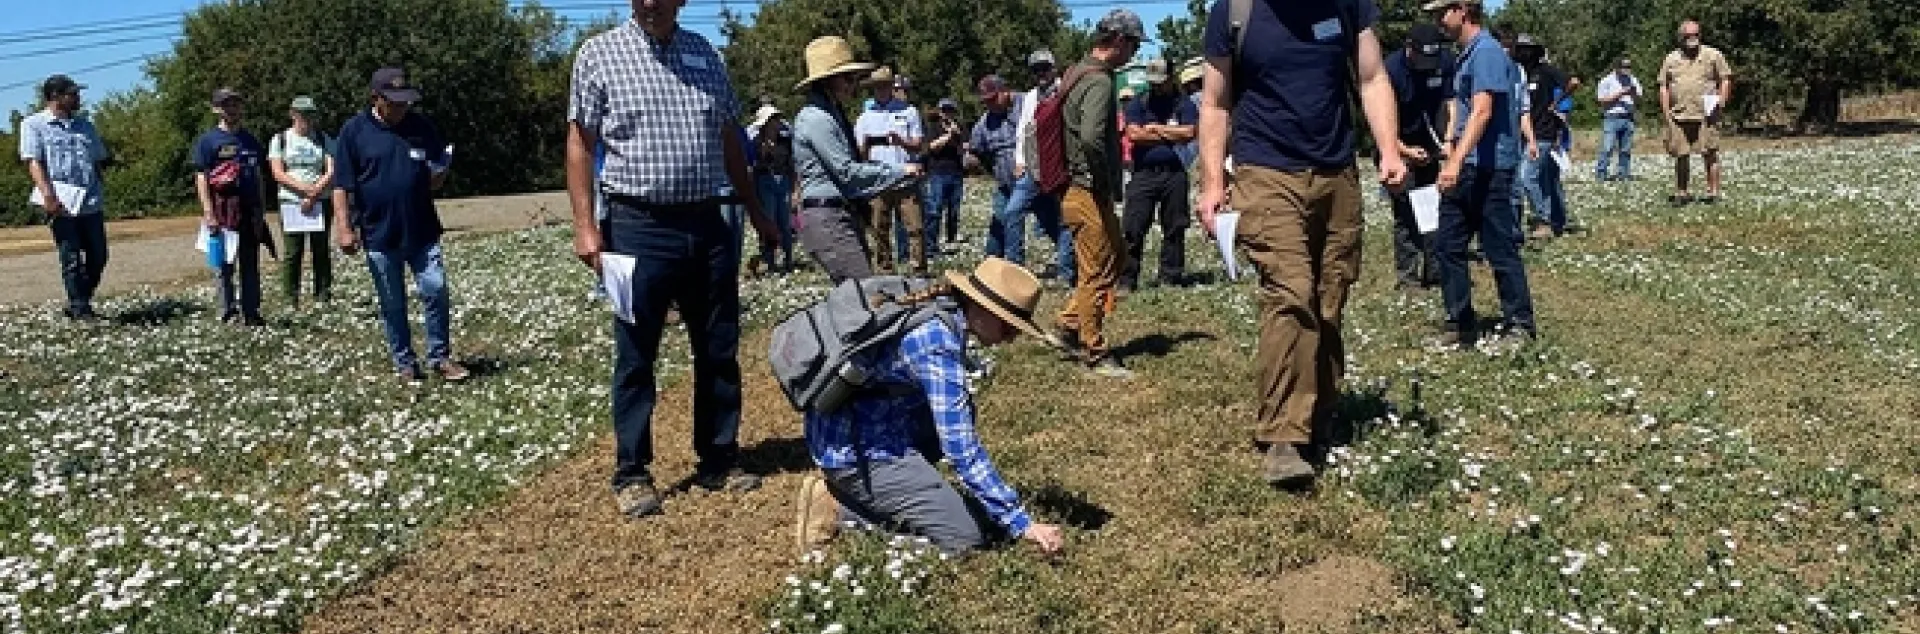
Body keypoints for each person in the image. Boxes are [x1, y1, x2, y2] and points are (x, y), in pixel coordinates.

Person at [566, 0, 781, 518]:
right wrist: (583, 224)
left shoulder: (704, 53)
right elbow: (580, 141)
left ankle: (719, 458)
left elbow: (731, 138)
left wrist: (754, 209)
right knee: (636, 353)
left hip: (707, 222)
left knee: (718, 347)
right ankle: (632, 472)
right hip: (633, 226)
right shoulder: (598, 54)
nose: (651, 3)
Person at [1198, 0, 1408, 487]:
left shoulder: (1349, 5)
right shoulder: (1234, 11)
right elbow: (1214, 101)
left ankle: (1318, 410)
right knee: (1292, 293)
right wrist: (1211, 183)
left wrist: (1389, 148)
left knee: (1330, 296)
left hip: (1336, 173)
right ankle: (1283, 437)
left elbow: (1372, 78)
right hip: (1265, 170)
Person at [793, 257, 1066, 556]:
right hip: (853, 451)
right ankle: (838, 508)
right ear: (982, 309)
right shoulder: (936, 341)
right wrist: (1020, 521)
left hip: (854, 429)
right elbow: (960, 446)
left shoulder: (937, 306)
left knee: (963, 410)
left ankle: (893, 490)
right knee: (964, 537)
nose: (1012, 338)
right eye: (1008, 326)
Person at [331, 70, 468, 382]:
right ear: (376, 98)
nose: (402, 108)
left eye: (405, 101)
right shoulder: (354, 132)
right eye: (395, 102)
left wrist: (440, 172)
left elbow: (435, 174)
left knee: (435, 290)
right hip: (379, 232)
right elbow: (342, 185)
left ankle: (440, 357)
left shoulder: (421, 127)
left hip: (422, 228)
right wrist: (344, 228)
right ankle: (405, 362)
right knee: (392, 301)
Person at [1429, 0, 1537, 347]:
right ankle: (1459, 321)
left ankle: (1519, 322)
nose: (1438, 21)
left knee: (1499, 248)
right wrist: (1452, 147)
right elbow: (1463, 114)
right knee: (1447, 246)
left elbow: (1482, 112)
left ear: (1463, 10)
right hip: (1466, 164)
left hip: (1488, 170)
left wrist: (1456, 162)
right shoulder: (1467, 55)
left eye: (1441, 12)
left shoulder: (1487, 52)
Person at [1056, 9, 1147, 380]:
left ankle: (1068, 323)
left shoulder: (1076, 72)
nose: (1134, 54)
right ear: (1119, 41)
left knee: (1115, 256)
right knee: (1095, 271)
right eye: (1134, 45)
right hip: (1087, 189)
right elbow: (1093, 137)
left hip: (1084, 188)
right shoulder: (1099, 82)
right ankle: (1094, 350)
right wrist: (1106, 178)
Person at [790, 37, 922, 283]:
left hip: (839, 214)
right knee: (864, 294)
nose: (854, 84)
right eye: (848, 78)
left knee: (858, 297)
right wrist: (901, 170)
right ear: (828, 82)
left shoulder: (832, 115)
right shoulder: (817, 119)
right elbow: (847, 173)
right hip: (828, 217)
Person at [18, 74, 111, 321]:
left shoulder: (85, 126)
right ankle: (80, 308)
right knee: (70, 257)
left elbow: (97, 160)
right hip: (61, 202)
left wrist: (101, 187)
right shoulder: (33, 124)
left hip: (90, 201)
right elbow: (34, 162)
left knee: (99, 256)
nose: (78, 98)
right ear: (56, 97)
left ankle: (80, 297)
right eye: (73, 94)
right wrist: (48, 196)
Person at [1383, 23, 1455, 291]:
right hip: (1399, 143)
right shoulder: (1390, 70)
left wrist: (1447, 141)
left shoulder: (1445, 62)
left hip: (1432, 142)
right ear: (1409, 49)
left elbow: (1450, 103)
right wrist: (1402, 150)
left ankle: (1435, 272)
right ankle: (1408, 278)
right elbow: (1381, 118)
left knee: (1434, 210)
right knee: (1405, 214)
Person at [193, 88, 271, 327]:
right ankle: (228, 313)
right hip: (223, 210)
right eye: (227, 105)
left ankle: (252, 312)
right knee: (223, 265)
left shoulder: (250, 140)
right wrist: (208, 212)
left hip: (249, 210)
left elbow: (258, 175)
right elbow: (201, 177)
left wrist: (261, 209)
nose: (233, 109)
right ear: (216, 109)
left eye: (236, 104)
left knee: (250, 264)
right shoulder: (208, 141)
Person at [1119, 58, 1198, 292]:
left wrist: (1155, 128)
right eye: (1152, 82)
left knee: (1175, 226)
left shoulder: (1183, 103)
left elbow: (1189, 132)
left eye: (1160, 83)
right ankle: (1127, 278)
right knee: (1133, 226)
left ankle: (1171, 276)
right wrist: (1170, 133)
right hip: (1144, 173)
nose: (1156, 87)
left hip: (1174, 173)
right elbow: (1134, 135)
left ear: (1170, 78)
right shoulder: (1138, 102)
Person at [855, 68, 928, 275]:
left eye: (885, 85)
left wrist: (900, 141)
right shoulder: (865, 118)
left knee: (915, 228)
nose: (881, 89)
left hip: (906, 177)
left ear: (892, 86)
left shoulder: (908, 111)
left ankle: (918, 270)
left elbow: (918, 144)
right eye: (877, 86)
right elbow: (859, 154)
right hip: (878, 180)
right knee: (879, 230)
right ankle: (885, 270)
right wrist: (868, 145)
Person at [1011, 49, 1074, 285]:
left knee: (1064, 219)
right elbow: (1022, 132)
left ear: (1053, 68)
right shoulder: (1029, 97)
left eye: (1044, 68)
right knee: (1012, 212)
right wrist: (1019, 160)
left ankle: (1067, 272)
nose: (1041, 73)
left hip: (1059, 165)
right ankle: (1014, 269)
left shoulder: (1065, 91)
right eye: (1036, 70)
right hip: (1033, 166)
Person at [269, 96, 336, 308]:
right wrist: (304, 189)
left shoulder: (324, 139)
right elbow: (277, 172)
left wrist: (316, 191)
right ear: (293, 114)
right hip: (290, 202)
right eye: (302, 114)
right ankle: (291, 299)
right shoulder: (280, 139)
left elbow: (332, 170)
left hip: (321, 201)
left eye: (310, 114)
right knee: (292, 252)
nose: (306, 118)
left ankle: (323, 296)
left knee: (321, 249)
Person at [1658, 20, 1734, 205]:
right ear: (1680, 38)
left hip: (1706, 114)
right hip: (1678, 115)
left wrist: (1721, 101)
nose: (1693, 39)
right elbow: (1663, 86)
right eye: (1688, 36)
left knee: (1710, 153)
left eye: (1696, 35)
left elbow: (1725, 78)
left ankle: (1713, 192)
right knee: (1681, 155)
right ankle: (1682, 193)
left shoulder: (1713, 55)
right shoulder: (1671, 58)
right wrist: (1666, 111)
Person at [1514, 35, 1570, 240]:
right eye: (1520, 49)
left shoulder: (1545, 71)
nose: (1523, 53)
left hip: (1544, 133)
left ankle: (1543, 220)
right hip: (1522, 133)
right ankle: (1558, 218)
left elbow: (1572, 82)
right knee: (1547, 179)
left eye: (1527, 49)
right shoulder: (1517, 73)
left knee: (1527, 177)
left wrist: (1557, 103)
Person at [969, 76, 1025, 267]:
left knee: (1053, 223)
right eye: (986, 101)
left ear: (1005, 91)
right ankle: (991, 266)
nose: (990, 105)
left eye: (993, 99)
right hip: (1006, 184)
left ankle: (1070, 268)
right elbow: (975, 150)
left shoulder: (1026, 105)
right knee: (1000, 222)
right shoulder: (985, 122)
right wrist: (969, 159)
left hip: (1034, 181)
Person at [749, 105, 798, 274]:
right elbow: (754, 165)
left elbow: (791, 165)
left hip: (782, 180)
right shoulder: (756, 142)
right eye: (773, 120)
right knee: (769, 220)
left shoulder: (786, 141)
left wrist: (795, 189)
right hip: (764, 181)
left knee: (785, 221)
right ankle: (769, 259)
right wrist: (763, 151)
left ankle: (788, 258)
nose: (776, 123)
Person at [922, 98, 967, 252]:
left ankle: (951, 239)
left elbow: (964, 149)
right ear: (940, 112)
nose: (947, 114)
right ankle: (931, 245)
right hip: (937, 172)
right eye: (944, 110)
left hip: (956, 172)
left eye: (950, 110)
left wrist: (957, 136)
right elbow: (931, 147)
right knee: (935, 209)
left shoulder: (960, 127)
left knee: (954, 210)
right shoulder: (933, 127)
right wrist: (948, 136)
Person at [1594, 58, 1644, 181]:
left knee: (1626, 149)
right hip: (1612, 117)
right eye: (1624, 67)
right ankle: (1601, 173)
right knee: (1607, 147)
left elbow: (1639, 99)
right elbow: (1601, 100)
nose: (1627, 69)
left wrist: (1633, 94)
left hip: (1628, 117)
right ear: (1616, 67)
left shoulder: (1633, 79)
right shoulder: (1606, 81)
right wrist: (1620, 94)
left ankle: (1623, 174)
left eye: (1628, 67)